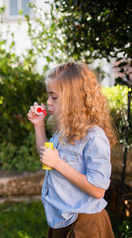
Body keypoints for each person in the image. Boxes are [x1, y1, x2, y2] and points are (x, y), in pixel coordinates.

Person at [27, 62, 116, 238]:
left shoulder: (94, 137)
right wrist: (38, 126)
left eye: (54, 97)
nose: (48, 102)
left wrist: (58, 163)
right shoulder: (65, 131)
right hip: (62, 218)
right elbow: (47, 156)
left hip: (85, 224)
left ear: (73, 99)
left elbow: (98, 190)